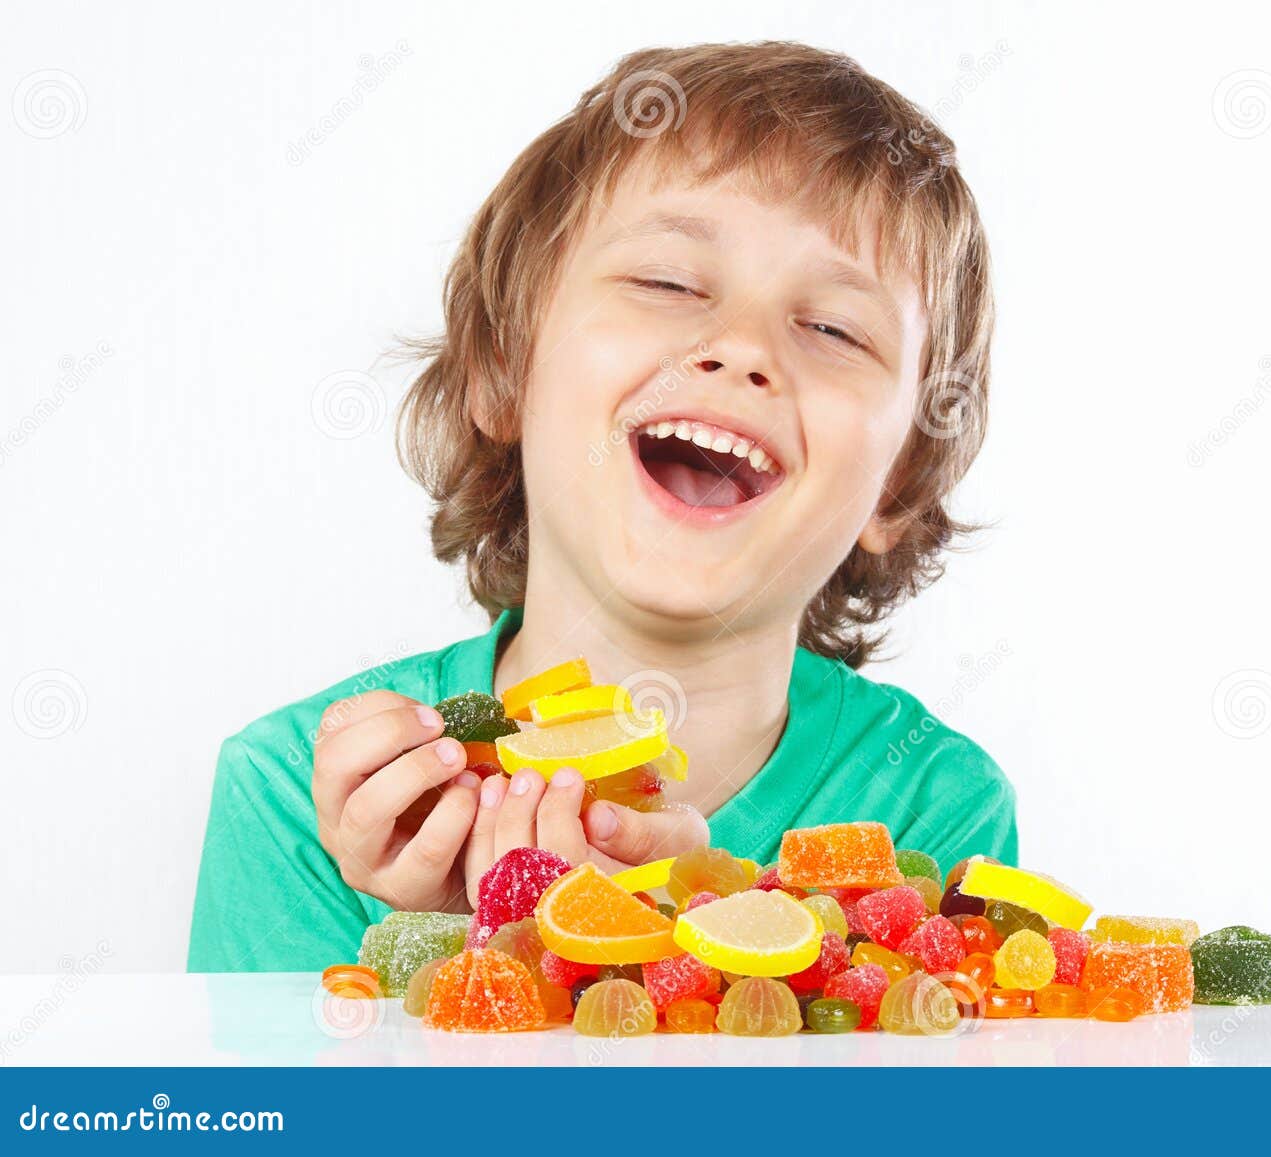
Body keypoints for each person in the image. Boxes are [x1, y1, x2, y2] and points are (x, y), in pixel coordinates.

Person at [188, 41, 1015, 971]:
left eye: (831, 328)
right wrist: (462, 954)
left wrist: (644, 943)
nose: (741, 348)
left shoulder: (933, 808)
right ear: (504, 371)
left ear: (898, 483)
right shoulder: (295, 797)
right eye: (668, 282)